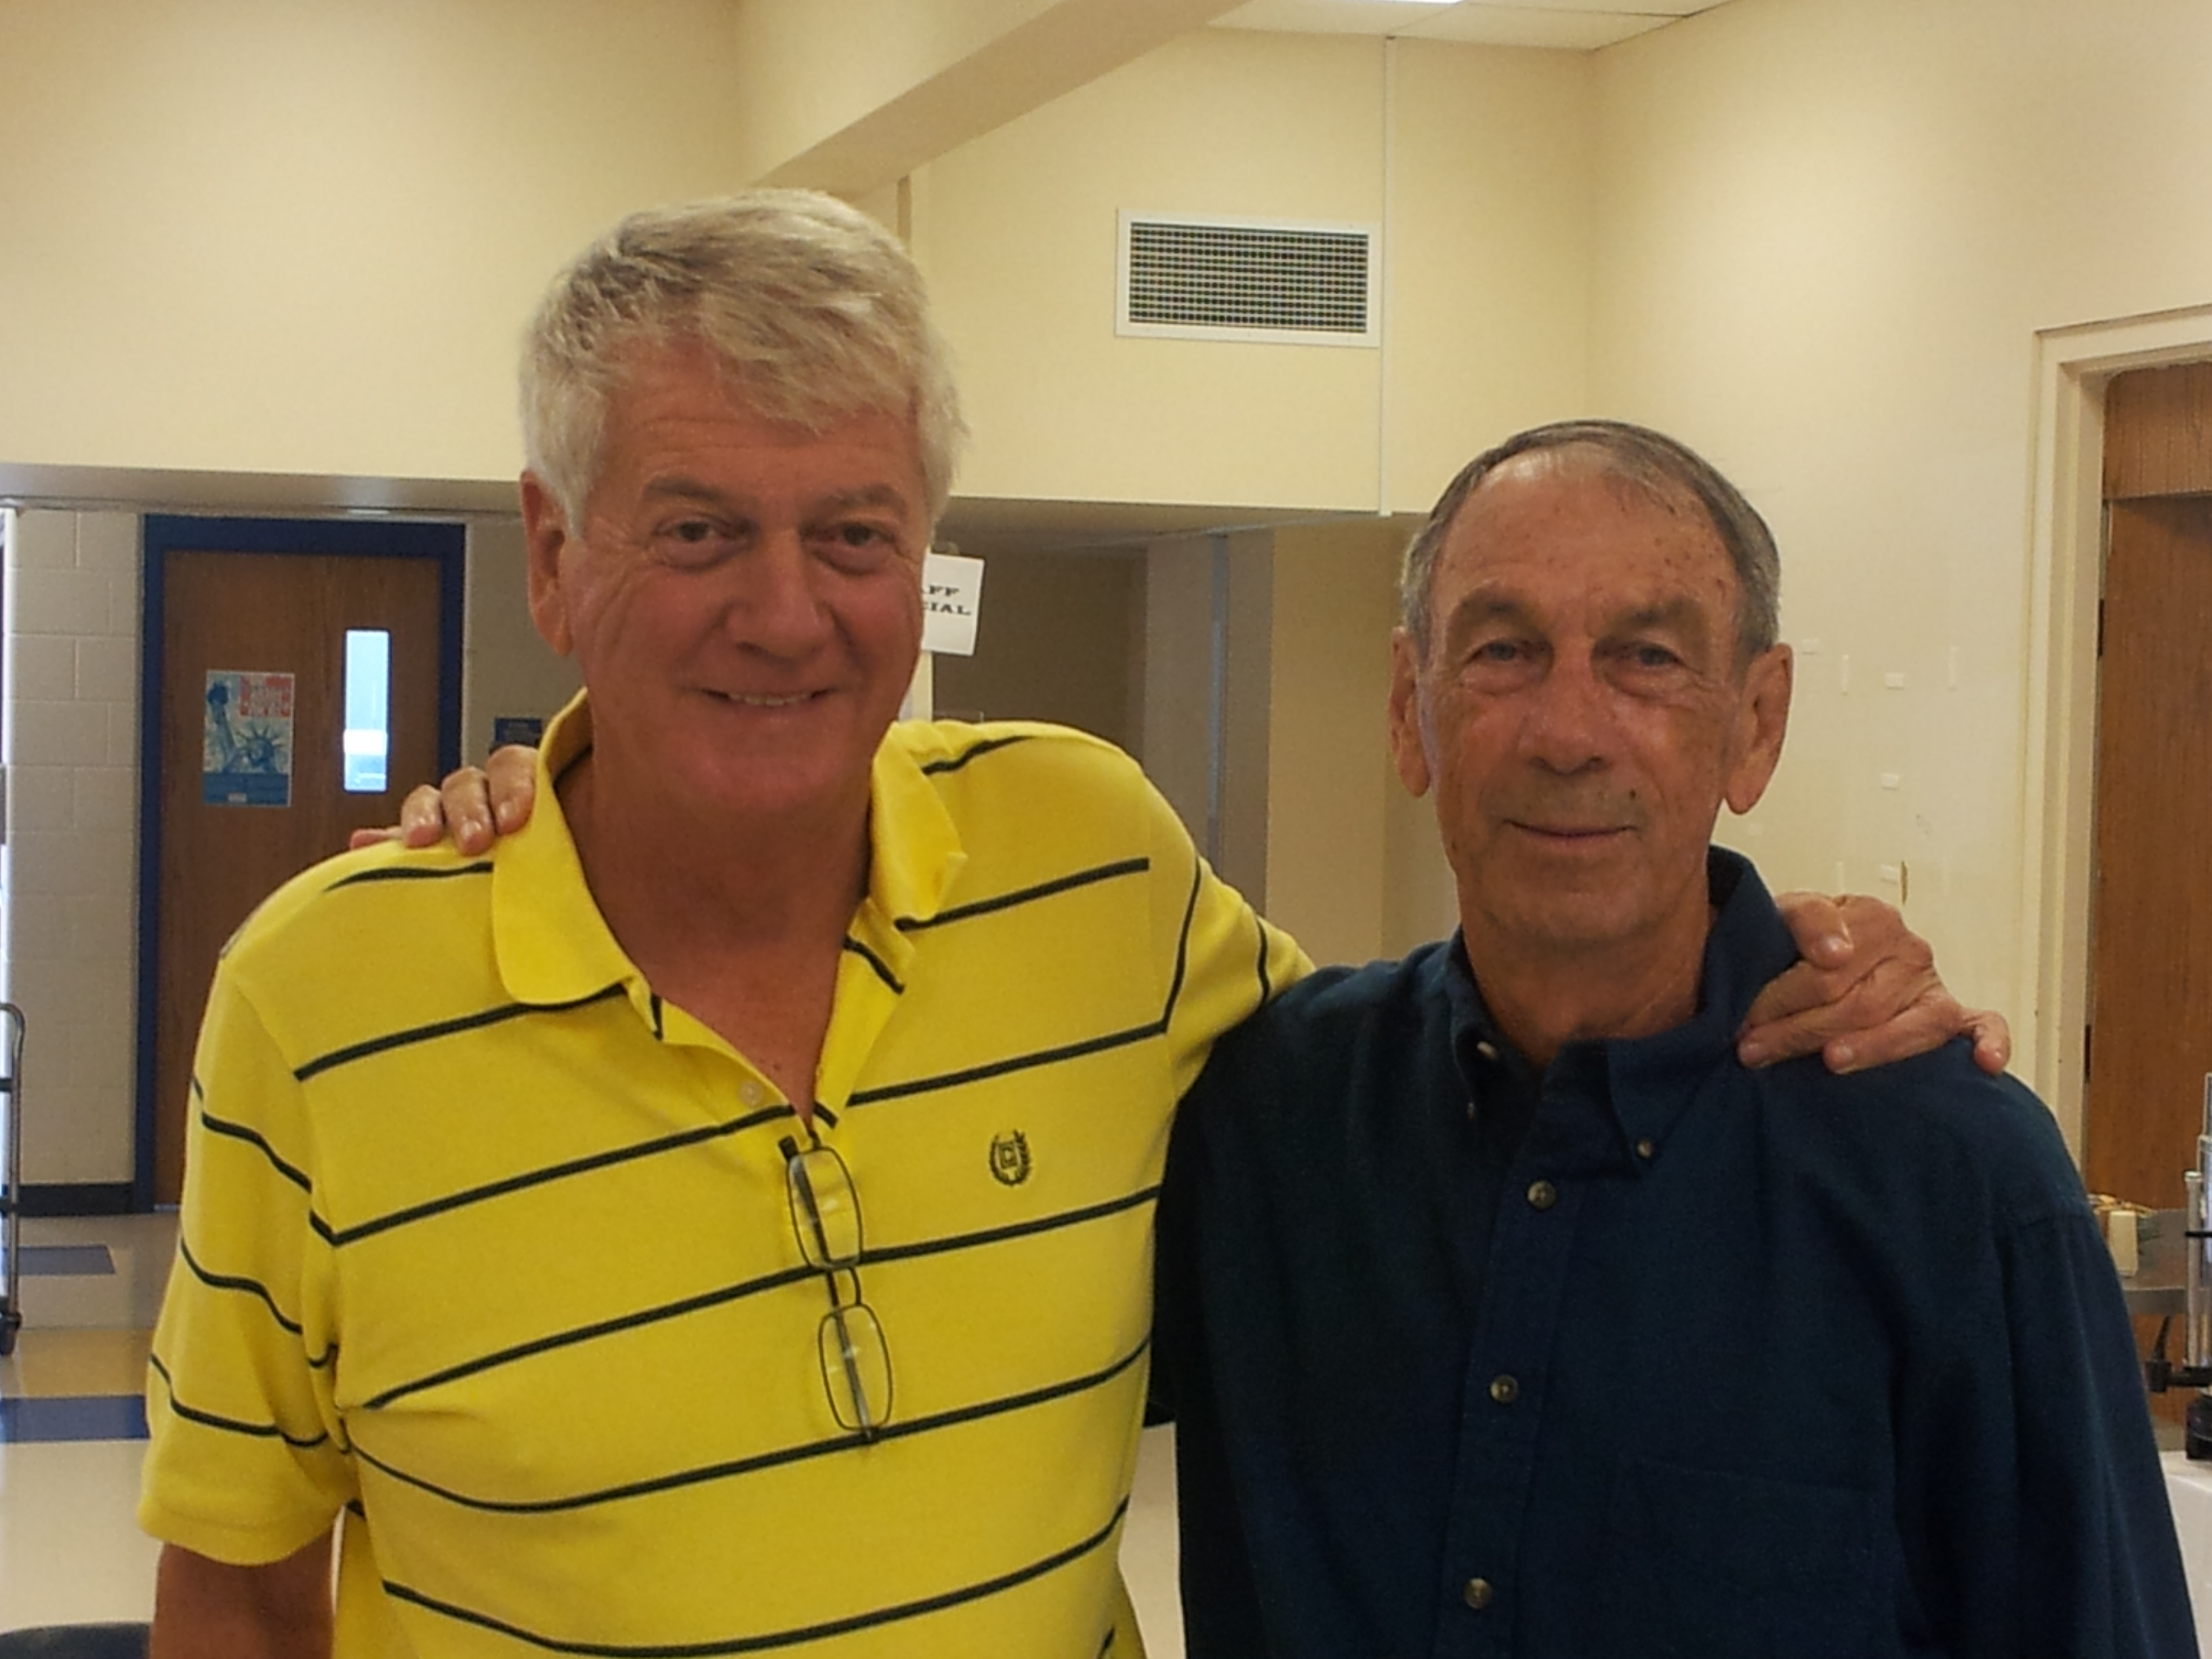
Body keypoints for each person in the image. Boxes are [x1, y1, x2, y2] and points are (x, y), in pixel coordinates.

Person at [141, 191, 1990, 1659]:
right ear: (553, 552)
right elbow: (235, 1591)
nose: (787, 616)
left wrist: (1769, 946)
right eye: (697, 532)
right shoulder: (321, 1000)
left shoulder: (1087, 857)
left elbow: (1437, 1074)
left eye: (854, 537)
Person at [1147, 419, 2194, 1658]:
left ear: (1756, 721)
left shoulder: (1953, 1181)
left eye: (1646, 658)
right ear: (1408, 708)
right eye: (1502, 651)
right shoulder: (1269, 1120)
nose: (1569, 730)